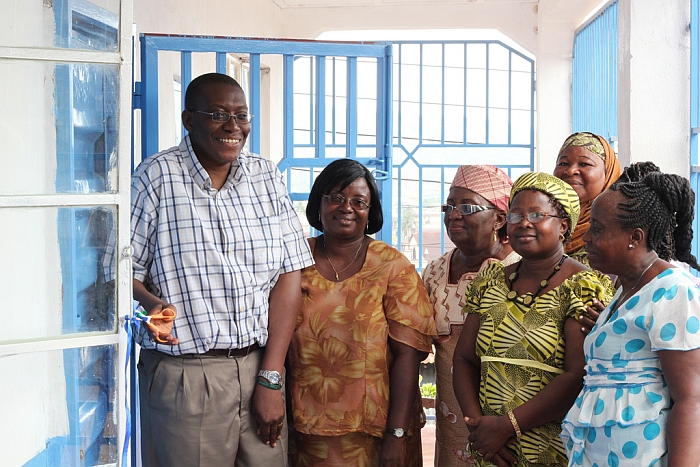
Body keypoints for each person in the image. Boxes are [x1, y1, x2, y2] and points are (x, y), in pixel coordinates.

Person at [130, 73, 314, 467]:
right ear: (188, 120)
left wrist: (270, 376)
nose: (233, 127)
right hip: (187, 376)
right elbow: (122, 273)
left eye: (241, 115)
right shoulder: (156, 178)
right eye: (218, 115)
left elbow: (289, 273)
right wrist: (152, 305)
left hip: (257, 365)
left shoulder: (265, 176)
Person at [453, 172, 614, 467]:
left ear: (563, 225)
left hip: (552, 446)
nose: (523, 223)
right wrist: (478, 426)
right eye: (515, 215)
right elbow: (464, 359)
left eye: (537, 214)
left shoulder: (583, 286)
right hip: (490, 447)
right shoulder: (491, 282)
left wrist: (508, 426)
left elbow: (578, 373)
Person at [286, 158, 437, 467]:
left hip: (378, 434)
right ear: (319, 203)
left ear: (370, 213)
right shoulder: (294, 261)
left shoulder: (393, 267)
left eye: (359, 202)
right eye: (336, 198)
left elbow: (409, 357)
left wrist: (396, 434)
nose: (346, 208)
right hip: (305, 432)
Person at [561, 172, 700, 466]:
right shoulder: (625, 287)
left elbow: (691, 400)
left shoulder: (672, 290)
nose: (586, 237)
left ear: (634, 237)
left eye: (597, 229)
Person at [422, 165, 520, 466]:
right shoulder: (435, 271)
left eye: (466, 207)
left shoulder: (522, 270)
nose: (453, 215)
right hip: (452, 426)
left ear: (499, 218)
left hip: (509, 425)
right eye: (449, 206)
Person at [553, 132, 621, 266]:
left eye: (584, 164)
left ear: (608, 173)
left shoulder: (619, 227)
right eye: (563, 163)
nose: (571, 171)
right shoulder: (543, 220)